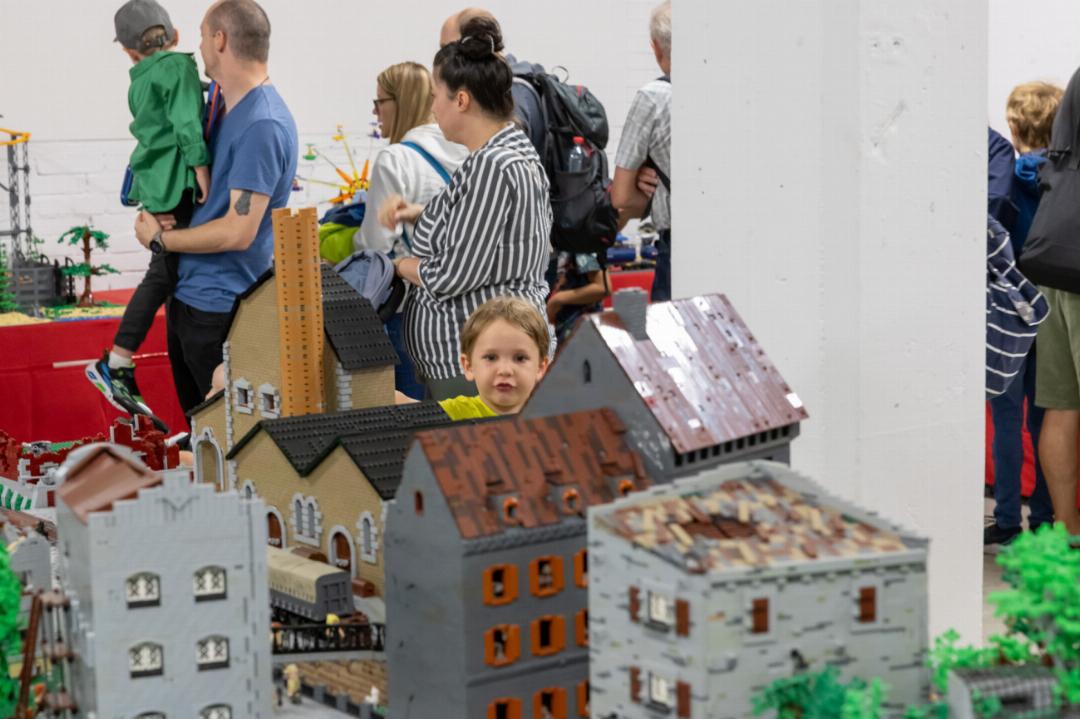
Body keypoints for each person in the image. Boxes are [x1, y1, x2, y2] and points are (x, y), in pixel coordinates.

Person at [133, 0, 298, 419]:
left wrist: (161, 239)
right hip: (190, 298)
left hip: (220, 311)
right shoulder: (221, 106)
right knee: (199, 433)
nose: (200, 47)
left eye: (203, 36)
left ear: (220, 40)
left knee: (227, 439)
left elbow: (237, 231)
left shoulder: (262, 124)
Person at [380, 16, 551, 400]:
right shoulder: (503, 154)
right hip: (479, 358)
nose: (433, 108)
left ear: (461, 100)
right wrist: (419, 213)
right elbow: (485, 233)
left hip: (479, 364)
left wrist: (397, 265)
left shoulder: (493, 166)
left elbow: (451, 274)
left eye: (435, 96)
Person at [86, 0, 212, 430]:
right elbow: (185, 121)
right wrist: (201, 168)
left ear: (128, 52)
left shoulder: (138, 81)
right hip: (176, 183)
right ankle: (118, 361)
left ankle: (120, 361)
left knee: (166, 272)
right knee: (162, 274)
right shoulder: (177, 67)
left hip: (154, 186)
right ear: (175, 35)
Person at [356, 62, 468, 400]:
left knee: (413, 417)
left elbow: (375, 248)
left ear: (400, 102)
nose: (375, 112)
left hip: (411, 314)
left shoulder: (395, 160)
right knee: (460, 412)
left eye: (379, 102)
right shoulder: (469, 153)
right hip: (466, 310)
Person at [986, 82, 1063, 546]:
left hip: (1007, 313)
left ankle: (1007, 519)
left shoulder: (1004, 179)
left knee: (1005, 418)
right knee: (1047, 416)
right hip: (1050, 308)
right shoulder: (1064, 182)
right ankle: (1046, 518)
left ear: (1013, 128)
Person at [396, 296, 550, 418]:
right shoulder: (457, 413)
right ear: (468, 366)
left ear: (541, 367)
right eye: (491, 357)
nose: (505, 370)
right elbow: (406, 405)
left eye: (520, 358)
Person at [611, 0, 672, 302]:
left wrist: (646, 187)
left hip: (677, 251)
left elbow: (621, 197)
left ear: (656, 48)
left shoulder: (653, 98)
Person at [439, 8, 546, 154]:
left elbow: (505, 158)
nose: (442, 59)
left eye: (447, 49)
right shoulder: (513, 82)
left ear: (472, 44)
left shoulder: (509, 91)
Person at [546, 252, 608, 347]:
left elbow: (601, 288)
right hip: (565, 322)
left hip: (575, 324)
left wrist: (557, 300)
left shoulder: (582, 252)